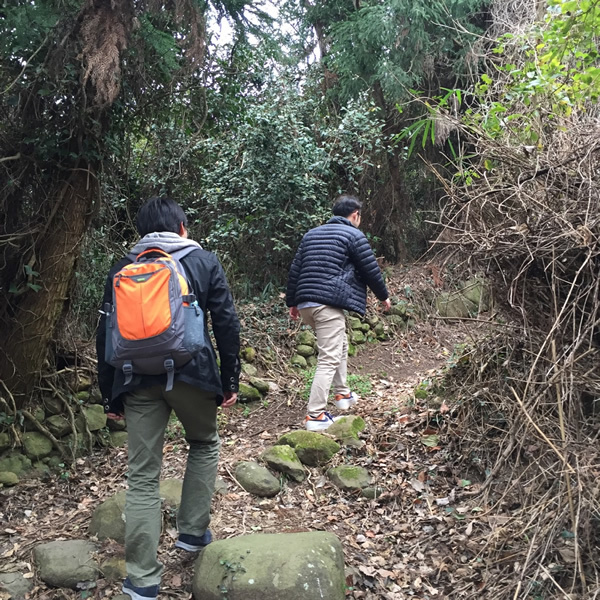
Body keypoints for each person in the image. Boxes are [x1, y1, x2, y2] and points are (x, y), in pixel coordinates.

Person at [96, 196, 240, 600]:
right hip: (192, 374)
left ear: (142, 231)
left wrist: (110, 396)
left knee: (142, 478)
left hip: (136, 379)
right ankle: (192, 532)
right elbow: (226, 321)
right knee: (204, 443)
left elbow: (104, 333)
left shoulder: (123, 267)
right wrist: (230, 379)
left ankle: (142, 580)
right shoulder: (202, 261)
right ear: (182, 227)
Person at [286, 194, 391, 431]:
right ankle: (315, 415)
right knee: (329, 358)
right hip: (327, 304)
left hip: (306, 305)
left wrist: (292, 302)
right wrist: (383, 296)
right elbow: (370, 269)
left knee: (339, 344)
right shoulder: (353, 235)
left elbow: (296, 269)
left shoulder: (311, 234)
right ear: (355, 215)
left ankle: (343, 394)